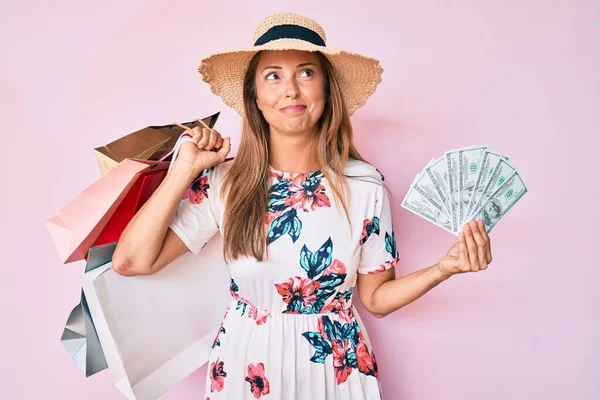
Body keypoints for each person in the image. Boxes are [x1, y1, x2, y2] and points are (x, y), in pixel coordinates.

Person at [112, 12, 493, 400]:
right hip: (247, 369)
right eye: (273, 76)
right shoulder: (225, 183)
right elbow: (130, 262)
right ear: (255, 98)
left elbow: (377, 299)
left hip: (336, 372)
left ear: (327, 91)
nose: (290, 90)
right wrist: (184, 171)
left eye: (306, 73)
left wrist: (445, 269)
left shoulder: (365, 186)